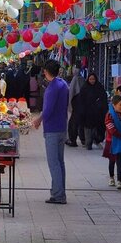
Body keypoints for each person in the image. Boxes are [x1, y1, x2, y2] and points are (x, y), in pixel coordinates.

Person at [32, 60, 69, 204]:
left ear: (46, 71)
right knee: (60, 162)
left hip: (52, 129)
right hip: (61, 127)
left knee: (54, 163)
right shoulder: (63, 84)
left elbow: (48, 110)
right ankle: (58, 192)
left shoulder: (52, 88)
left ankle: (58, 195)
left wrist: (38, 120)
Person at [103, 94, 121, 190]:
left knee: (119, 161)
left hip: (120, 142)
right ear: (114, 105)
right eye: (120, 105)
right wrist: (119, 135)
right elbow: (110, 128)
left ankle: (119, 181)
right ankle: (112, 177)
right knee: (112, 161)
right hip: (112, 142)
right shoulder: (109, 115)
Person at [79, 72, 108, 150]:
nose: (92, 81)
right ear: (88, 79)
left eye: (93, 79)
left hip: (97, 112)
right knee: (88, 128)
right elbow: (81, 100)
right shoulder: (84, 88)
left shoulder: (99, 87)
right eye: (90, 79)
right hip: (87, 112)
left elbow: (103, 98)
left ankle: (96, 140)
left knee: (96, 128)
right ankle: (88, 143)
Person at [66, 63, 85, 147]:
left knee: (73, 123)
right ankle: (83, 139)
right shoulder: (82, 79)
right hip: (81, 104)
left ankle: (73, 140)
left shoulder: (75, 79)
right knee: (80, 123)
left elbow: (72, 93)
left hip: (76, 104)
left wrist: (69, 105)